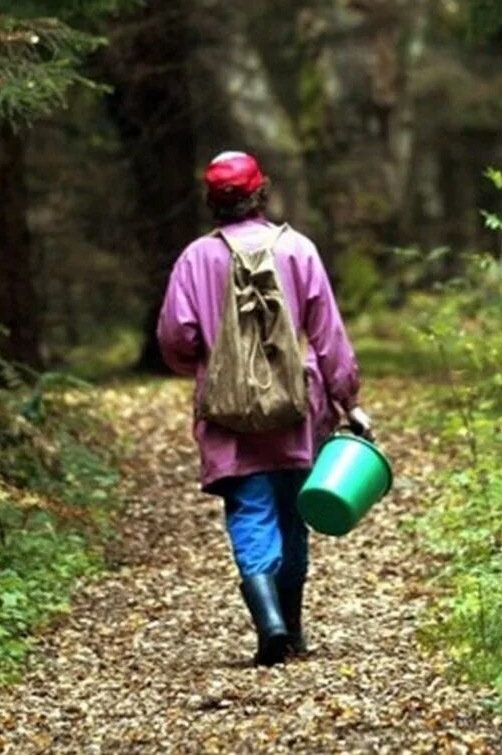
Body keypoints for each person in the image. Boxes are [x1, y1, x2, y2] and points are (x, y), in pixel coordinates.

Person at [156, 150, 370, 667]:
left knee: (250, 510)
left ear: (212, 202)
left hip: (229, 416)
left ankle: (268, 621)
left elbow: (175, 337)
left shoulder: (196, 259)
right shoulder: (298, 249)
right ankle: (292, 628)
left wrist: (209, 365)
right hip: (298, 410)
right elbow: (327, 336)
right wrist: (349, 401)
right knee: (295, 515)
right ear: (263, 191)